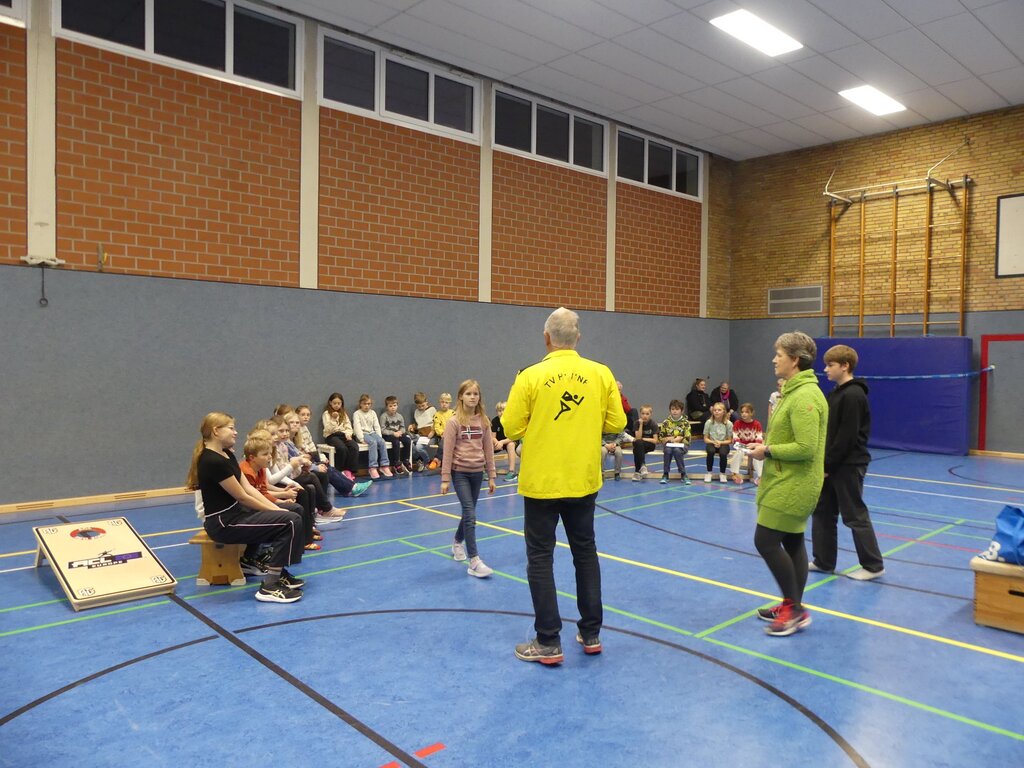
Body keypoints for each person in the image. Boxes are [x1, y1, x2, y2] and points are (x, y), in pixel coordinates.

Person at [502, 307, 625, 664]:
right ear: (577, 339)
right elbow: (616, 422)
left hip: (542, 482)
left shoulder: (530, 376)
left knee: (541, 557)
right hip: (583, 479)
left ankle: (548, 641)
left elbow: (511, 427)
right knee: (585, 552)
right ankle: (591, 633)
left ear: (546, 338)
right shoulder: (600, 373)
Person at [746, 331, 827, 637]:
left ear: (794, 360)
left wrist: (767, 450)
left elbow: (806, 447)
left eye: (779, 355)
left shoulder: (805, 396)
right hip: (786, 480)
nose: (774, 360)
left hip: (793, 484)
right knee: (792, 542)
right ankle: (792, 604)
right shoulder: (793, 392)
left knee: (765, 541)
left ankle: (794, 611)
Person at [186, 413, 305, 603]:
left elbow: (249, 488)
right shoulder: (212, 461)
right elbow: (242, 496)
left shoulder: (226, 454)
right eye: (231, 428)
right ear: (216, 431)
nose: (236, 432)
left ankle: (278, 571)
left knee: (293, 512)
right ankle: (270, 586)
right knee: (290, 521)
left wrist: (276, 507)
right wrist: (276, 511)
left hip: (237, 515)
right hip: (224, 523)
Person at [811, 344, 885, 581]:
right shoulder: (835, 393)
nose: (825, 369)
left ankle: (873, 565)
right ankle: (823, 561)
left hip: (848, 465)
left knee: (854, 515)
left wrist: (828, 466)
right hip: (832, 464)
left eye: (830, 365)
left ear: (845, 366)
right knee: (823, 512)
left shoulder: (853, 395)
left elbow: (847, 437)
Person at [441, 379, 498, 578]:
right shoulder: (454, 422)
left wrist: (492, 475)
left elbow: (488, 449)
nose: (472, 397)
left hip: (477, 473)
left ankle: (457, 541)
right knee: (470, 513)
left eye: (475, 394)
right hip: (460, 473)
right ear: (461, 397)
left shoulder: (484, 421)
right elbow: (447, 452)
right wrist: (445, 479)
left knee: (469, 512)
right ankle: (474, 561)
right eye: (468, 394)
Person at [293, 405, 372, 498]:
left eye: (308, 415)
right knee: (328, 469)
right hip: (306, 460)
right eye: (303, 415)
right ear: (296, 415)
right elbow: (303, 449)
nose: (306, 417)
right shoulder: (297, 431)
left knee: (330, 467)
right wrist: (316, 458)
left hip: (311, 457)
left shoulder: (305, 428)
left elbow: (311, 445)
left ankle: (352, 487)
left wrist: (321, 456)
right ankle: (352, 488)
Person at [353, 394, 393, 479]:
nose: (367, 406)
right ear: (360, 404)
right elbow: (357, 427)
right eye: (364, 404)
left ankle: (384, 465)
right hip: (363, 434)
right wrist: (361, 438)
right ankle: (372, 467)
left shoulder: (373, 413)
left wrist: (379, 437)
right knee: (373, 442)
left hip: (372, 433)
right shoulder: (357, 414)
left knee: (381, 442)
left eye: (368, 404)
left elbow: (376, 426)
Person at [322, 393, 360, 475]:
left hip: (343, 435)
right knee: (342, 448)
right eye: (334, 403)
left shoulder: (343, 414)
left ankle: (350, 471)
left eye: (339, 403)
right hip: (331, 436)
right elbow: (328, 429)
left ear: (342, 403)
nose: (337, 405)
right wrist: (333, 419)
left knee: (354, 446)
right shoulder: (326, 414)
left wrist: (348, 434)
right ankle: (340, 470)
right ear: (330, 403)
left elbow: (348, 426)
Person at [729, 403, 764, 485]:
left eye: (747, 412)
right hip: (741, 445)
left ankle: (760, 476)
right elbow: (735, 437)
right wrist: (742, 445)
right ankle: (735, 474)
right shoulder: (737, 423)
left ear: (752, 413)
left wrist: (754, 445)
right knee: (739, 453)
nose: (744, 414)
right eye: (742, 412)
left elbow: (759, 438)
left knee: (758, 454)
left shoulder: (757, 424)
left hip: (753, 446)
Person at [659, 399, 692, 485]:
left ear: (682, 410)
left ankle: (683, 474)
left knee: (677, 450)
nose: (674, 411)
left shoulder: (685, 423)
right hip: (669, 445)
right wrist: (672, 439)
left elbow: (688, 438)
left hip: (682, 445)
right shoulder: (666, 422)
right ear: (670, 410)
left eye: (677, 409)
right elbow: (661, 437)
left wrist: (680, 440)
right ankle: (665, 474)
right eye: (672, 409)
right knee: (667, 450)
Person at [381, 395, 414, 475]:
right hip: (388, 435)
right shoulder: (384, 416)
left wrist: (400, 432)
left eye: (394, 405)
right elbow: (382, 430)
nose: (393, 408)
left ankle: (405, 460)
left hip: (398, 433)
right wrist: (393, 433)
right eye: (390, 406)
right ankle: (396, 463)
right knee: (395, 442)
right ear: (387, 407)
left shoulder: (400, 416)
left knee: (407, 440)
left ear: (397, 406)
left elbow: (403, 427)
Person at [703, 402, 732, 483]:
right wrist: (713, 442)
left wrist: (720, 442)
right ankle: (709, 473)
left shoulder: (728, 424)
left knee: (723, 453)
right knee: (710, 451)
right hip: (711, 443)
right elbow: (705, 439)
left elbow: (730, 440)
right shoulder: (709, 422)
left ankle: (722, 473)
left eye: (719, 410)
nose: (717, 412)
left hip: (723, 443)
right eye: (715, 410)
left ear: (724, 411)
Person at [491, 400, 518, 481]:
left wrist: (502, 442)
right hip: (498, 442)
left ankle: (511, 471)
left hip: (509, 441)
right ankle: (490, 470)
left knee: (511, 445)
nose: (502, 413)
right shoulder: (495, 421)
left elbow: (513, 437)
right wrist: (497, 442)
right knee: (488, 445)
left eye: (504, 410)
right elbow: (493, 437)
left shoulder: (512, 421)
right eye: (499, 411)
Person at [410, 392, 437, 471]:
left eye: (423, 405)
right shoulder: (416, 412)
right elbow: (420, 424)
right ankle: (420, 460)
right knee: (409, 442)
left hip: (430, 435)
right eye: (419, 406)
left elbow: (437, 422)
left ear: (426, 402)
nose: (421, 408)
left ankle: (428, 462)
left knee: (419, 447)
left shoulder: (432, 409)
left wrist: (433, 431)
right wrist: (413, 427)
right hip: (420, 435)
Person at [631, 404, 659, 482]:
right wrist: (641, 425)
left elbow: (655, 440)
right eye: (643, 414)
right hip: (640, 445)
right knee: (638, 445)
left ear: (650, 414)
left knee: (637, 447)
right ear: (640, 414)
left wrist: (644, 439)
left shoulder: (653, 424)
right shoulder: (637, 423)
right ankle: (642, 467)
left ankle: (637, 471)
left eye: (647, 414)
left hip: (649, 445)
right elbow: (638, 437)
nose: (645, 416)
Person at [429, 393, 454, 471]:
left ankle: (437, 459)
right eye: (442, 402)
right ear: (440, 402)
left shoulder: (453, 413)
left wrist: (449, 433)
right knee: (444, 440)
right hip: (441, 436)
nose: (444, 404)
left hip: (452, 435)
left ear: (449, 403)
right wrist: (442, 433)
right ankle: (441, 463)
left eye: (446, 402)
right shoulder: (437, 414)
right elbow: (437, 427)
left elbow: (455, 425)